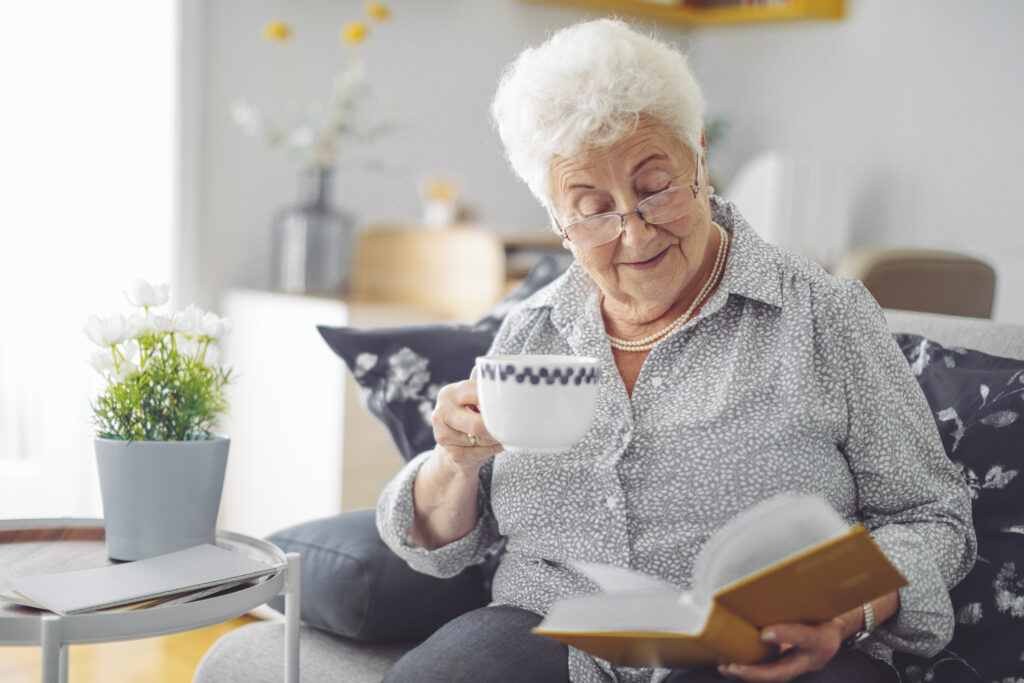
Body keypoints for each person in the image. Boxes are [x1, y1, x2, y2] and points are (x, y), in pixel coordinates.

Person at [377, 18, 975, 683]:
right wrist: (454, 462)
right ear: (557, 221)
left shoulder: (823, 315)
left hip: (752, 643)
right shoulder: (532, 332)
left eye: (655, 185)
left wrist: (846, 611)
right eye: (593, 207)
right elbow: (441, 544)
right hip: (550, 624)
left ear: (698, 161)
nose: (634, 233)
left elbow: (933, 517)